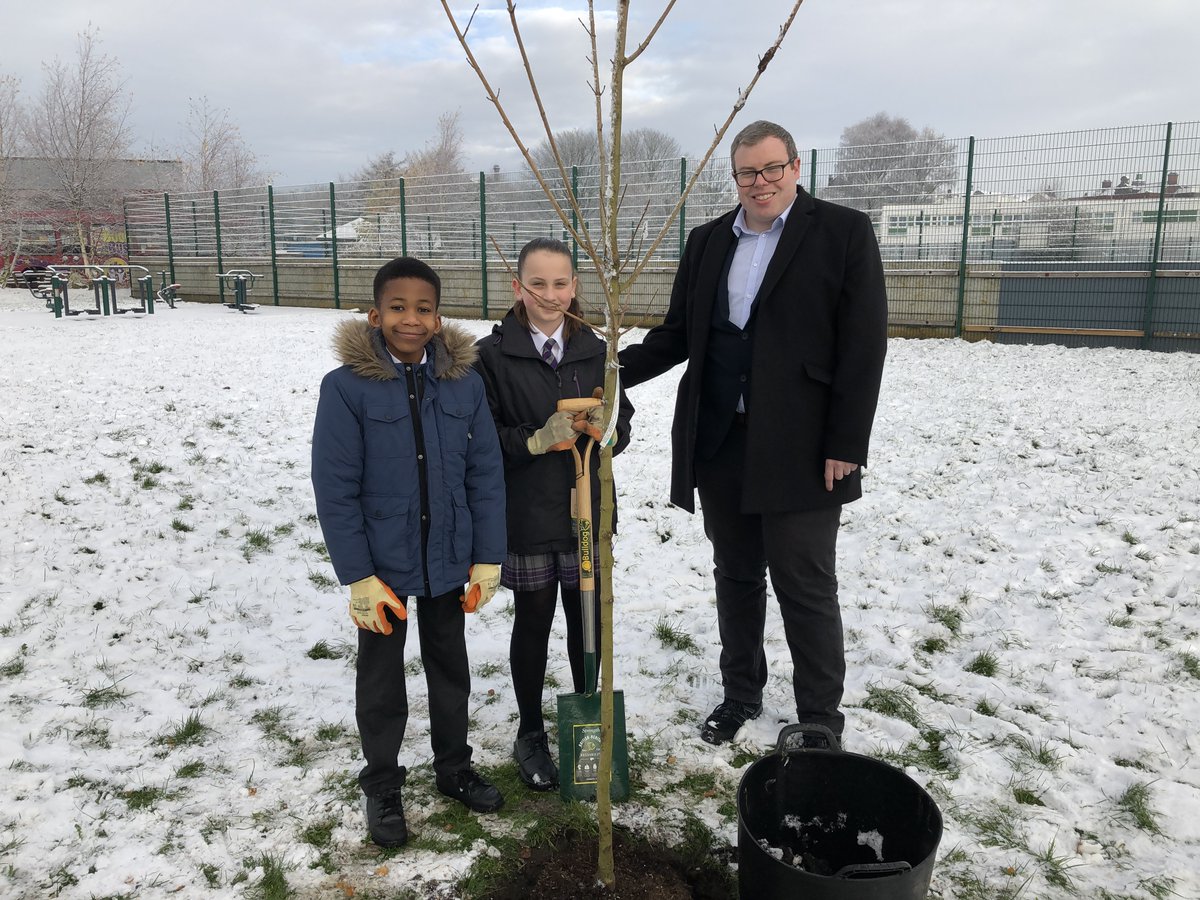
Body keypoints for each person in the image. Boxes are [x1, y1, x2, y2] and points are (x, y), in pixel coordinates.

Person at [618, 120, 888, 747]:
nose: (760, 182)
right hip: (722, 440)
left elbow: (863, 345)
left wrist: (846, 444)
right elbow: (679, 334)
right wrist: (605, 373)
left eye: (771, 168)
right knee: (735, 575)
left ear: (795, 168)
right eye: (747, 172)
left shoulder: (843, 232)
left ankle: (819, 716)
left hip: (804, 445)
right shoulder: (708, 240)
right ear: (735, 176)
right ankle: (740, 692)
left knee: (804, 582)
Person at [311, 256, 508, 849]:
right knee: (380, 678)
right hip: (383, 566)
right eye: (398, 307)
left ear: (438, 317)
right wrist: (358, 575)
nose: (411, 319)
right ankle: (382, 785)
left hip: (448, 556)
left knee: (450, 668)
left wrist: (487, 556)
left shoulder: (464, 384)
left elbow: (485, 473)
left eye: (423, 309)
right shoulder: (346, 388)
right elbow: (335, 486)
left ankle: (454, 768)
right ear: (376, 315)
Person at [473, 238, 633, 791]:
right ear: (517, 287)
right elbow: (483, 438)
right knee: (534, 619)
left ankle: (587, 714)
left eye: (560, 283)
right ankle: (531, 730)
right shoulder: (492, 356)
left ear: (574, 286)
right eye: (537, 284)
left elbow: (622, 424)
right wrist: (536, 439)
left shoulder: (596, 350)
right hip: (528, 512)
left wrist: (606, 431)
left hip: (587, 512)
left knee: (586, 618)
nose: (549, 294)